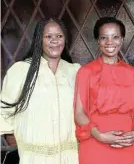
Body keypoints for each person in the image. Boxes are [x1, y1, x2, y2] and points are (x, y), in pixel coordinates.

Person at [0, 18, 81, 164]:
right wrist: (12, 138)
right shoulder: (21, 70)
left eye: (59, 36)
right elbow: (4, 109)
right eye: (48, 36)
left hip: (71, 157)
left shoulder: (74, 71)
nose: (55, 40)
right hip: (34, 157)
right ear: (39, 40)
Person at [74, 17, 134, 164]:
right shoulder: (85, 72)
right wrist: (99, 135)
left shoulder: (131, 72)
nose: (109, 42)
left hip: (128, 144)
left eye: (115, 37)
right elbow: (79, 113)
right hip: (96, 142)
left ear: (122, 39)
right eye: (103, 37)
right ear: (97, 41)